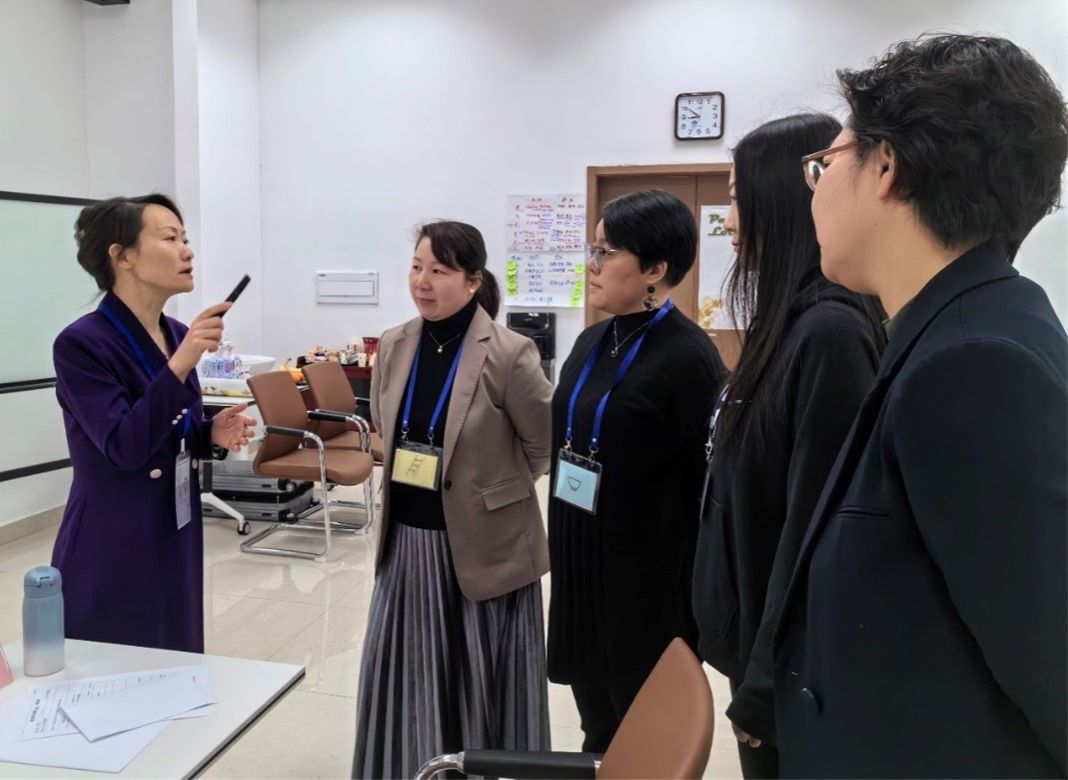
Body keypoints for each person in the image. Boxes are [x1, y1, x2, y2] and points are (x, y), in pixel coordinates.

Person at [773, 35, 1067, 778]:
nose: (815, 190)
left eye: (824, 164)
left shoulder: (974, 364)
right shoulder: (960, 325)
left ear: (888, 167)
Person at [691, 114, 885, 778]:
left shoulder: (829, 334)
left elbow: (815, 531)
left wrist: (766, 686)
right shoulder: (785, 324)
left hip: (789, 675)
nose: (730, 222)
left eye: (737, 199)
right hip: (753, 643)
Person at [352, 221, 553, 779]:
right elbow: (385, 425)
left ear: (473, 281)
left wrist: (485, 493)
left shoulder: (509, 353)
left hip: (482, 547)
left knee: (479, 683)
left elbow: (540, 446)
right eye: (417, 267)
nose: (423, 281)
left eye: (439, 270)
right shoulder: (395, 344)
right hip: (408, 544)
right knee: (412, 675)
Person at [547, 189, 728, 752]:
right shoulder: (591, 341)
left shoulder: (689, 356)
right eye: (592, 249)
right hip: (581, 566)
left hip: (646, 587)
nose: (592, 265)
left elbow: (706, 490)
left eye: (606, 253)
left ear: (655, 269)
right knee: (598, 729)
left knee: (644, 738)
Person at [51, 194, 255, 653]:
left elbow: (171, 431)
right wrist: (181, 363)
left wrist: (210, 433)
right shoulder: (81, 344)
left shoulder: (176, 334)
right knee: (113, 662)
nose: (187, 251)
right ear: (122, 256)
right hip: (113, 532)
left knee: (174, 655)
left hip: (175, 523)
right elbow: (124, 446)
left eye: (186, 238)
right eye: (170, 238)